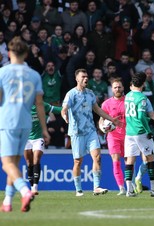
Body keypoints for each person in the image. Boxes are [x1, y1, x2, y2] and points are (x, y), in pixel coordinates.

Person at [0, 36, 50, 212]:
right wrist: (44, 129)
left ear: (9, 52)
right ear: (27, 53)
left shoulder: (3, 72)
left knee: (7, 163)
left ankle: (24, 190)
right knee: (14, 162)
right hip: (26, 123)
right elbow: (39, 104)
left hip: (8, 121)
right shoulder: (34, 75)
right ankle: (7, 201)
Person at [61, 69, 120, 197]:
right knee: (78, 161)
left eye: (87, 76)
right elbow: (64, 108)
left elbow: (97, 109)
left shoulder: (90, 94)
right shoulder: (71, 94)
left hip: (91, 131)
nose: (86, 79)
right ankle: (78, 189)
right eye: (83, 77)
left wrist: (111, 119)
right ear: (77, 79)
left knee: (97, 157)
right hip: (77, 132)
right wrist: (64, 114)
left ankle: (96, 187)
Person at [124, 72, 154, 197]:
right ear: (143, 83)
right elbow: (141, 117)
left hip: (129, 133)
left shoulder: (127, 96)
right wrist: (149, 131)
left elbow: (150, 114)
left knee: (130, 160)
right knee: (150, 158)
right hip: (140, 132)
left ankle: (129, 190)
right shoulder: (142, 98)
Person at [24, 103, 62, 195]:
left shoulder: (41, 105)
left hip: (38, 138)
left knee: (36, 158)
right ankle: (32, 185)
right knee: (29, 162)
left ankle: (35, 187)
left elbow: (57, 109)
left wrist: (67, 107)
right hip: (26, 138)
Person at [100, 78, 126, 196]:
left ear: (123, 88)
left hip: (128, 136)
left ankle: (130, 185)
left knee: (129, 162)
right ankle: (121, 188)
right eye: (115, 87)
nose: (117, 89)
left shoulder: (128, 101)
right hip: (113, 136)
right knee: (116, 161)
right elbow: (101, 120)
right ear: (112, 89)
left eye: (119, 87)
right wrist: (102, 128)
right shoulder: (106, 104)